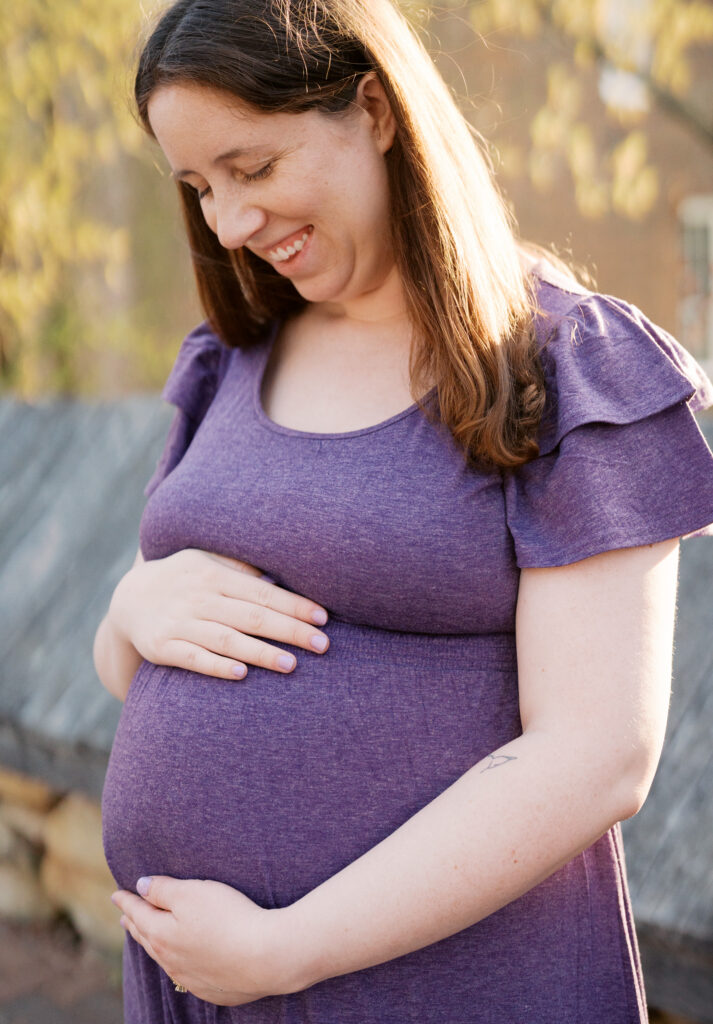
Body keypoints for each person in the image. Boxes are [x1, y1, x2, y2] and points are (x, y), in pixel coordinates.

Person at [93, 1, 713, 1021]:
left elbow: (597, 756)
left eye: (253, 168)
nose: (230, 224)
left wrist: (287, 947)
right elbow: (132, 663)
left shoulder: (566, 363)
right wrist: (129, 610)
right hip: (205, 987)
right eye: (199, 187)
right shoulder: (230, 359)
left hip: (438, 988)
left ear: (374, 110)